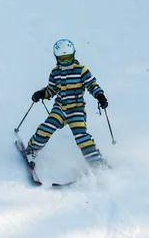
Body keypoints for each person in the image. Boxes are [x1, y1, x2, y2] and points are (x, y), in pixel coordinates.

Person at [24, 39, 109, 169]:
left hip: (76, 110)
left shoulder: (81, 70)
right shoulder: (55, 72)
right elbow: (51, 90)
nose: (65, 62)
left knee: (81, 135)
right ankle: (32, 149)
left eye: (68, 58)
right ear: (57, 58)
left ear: (73, 55)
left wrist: (100, 95)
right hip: (60, 108)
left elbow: (92, 85)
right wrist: (41, 94)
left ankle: (95, 160)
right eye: (62, 59)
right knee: (46, 127)